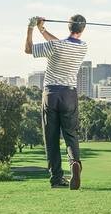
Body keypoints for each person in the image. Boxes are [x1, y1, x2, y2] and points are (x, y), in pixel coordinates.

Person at [25, 15, 89, 190]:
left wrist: (31, 27)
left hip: (51, 95)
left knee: (51, 138)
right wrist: (42, 29)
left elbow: (29, 49)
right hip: (69, 95)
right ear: (82, 29)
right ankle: (74, 162)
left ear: (69, 27)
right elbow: (59, 43)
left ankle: (56, 179)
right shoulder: (83, 47)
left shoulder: (56, 46)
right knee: (70, 134)